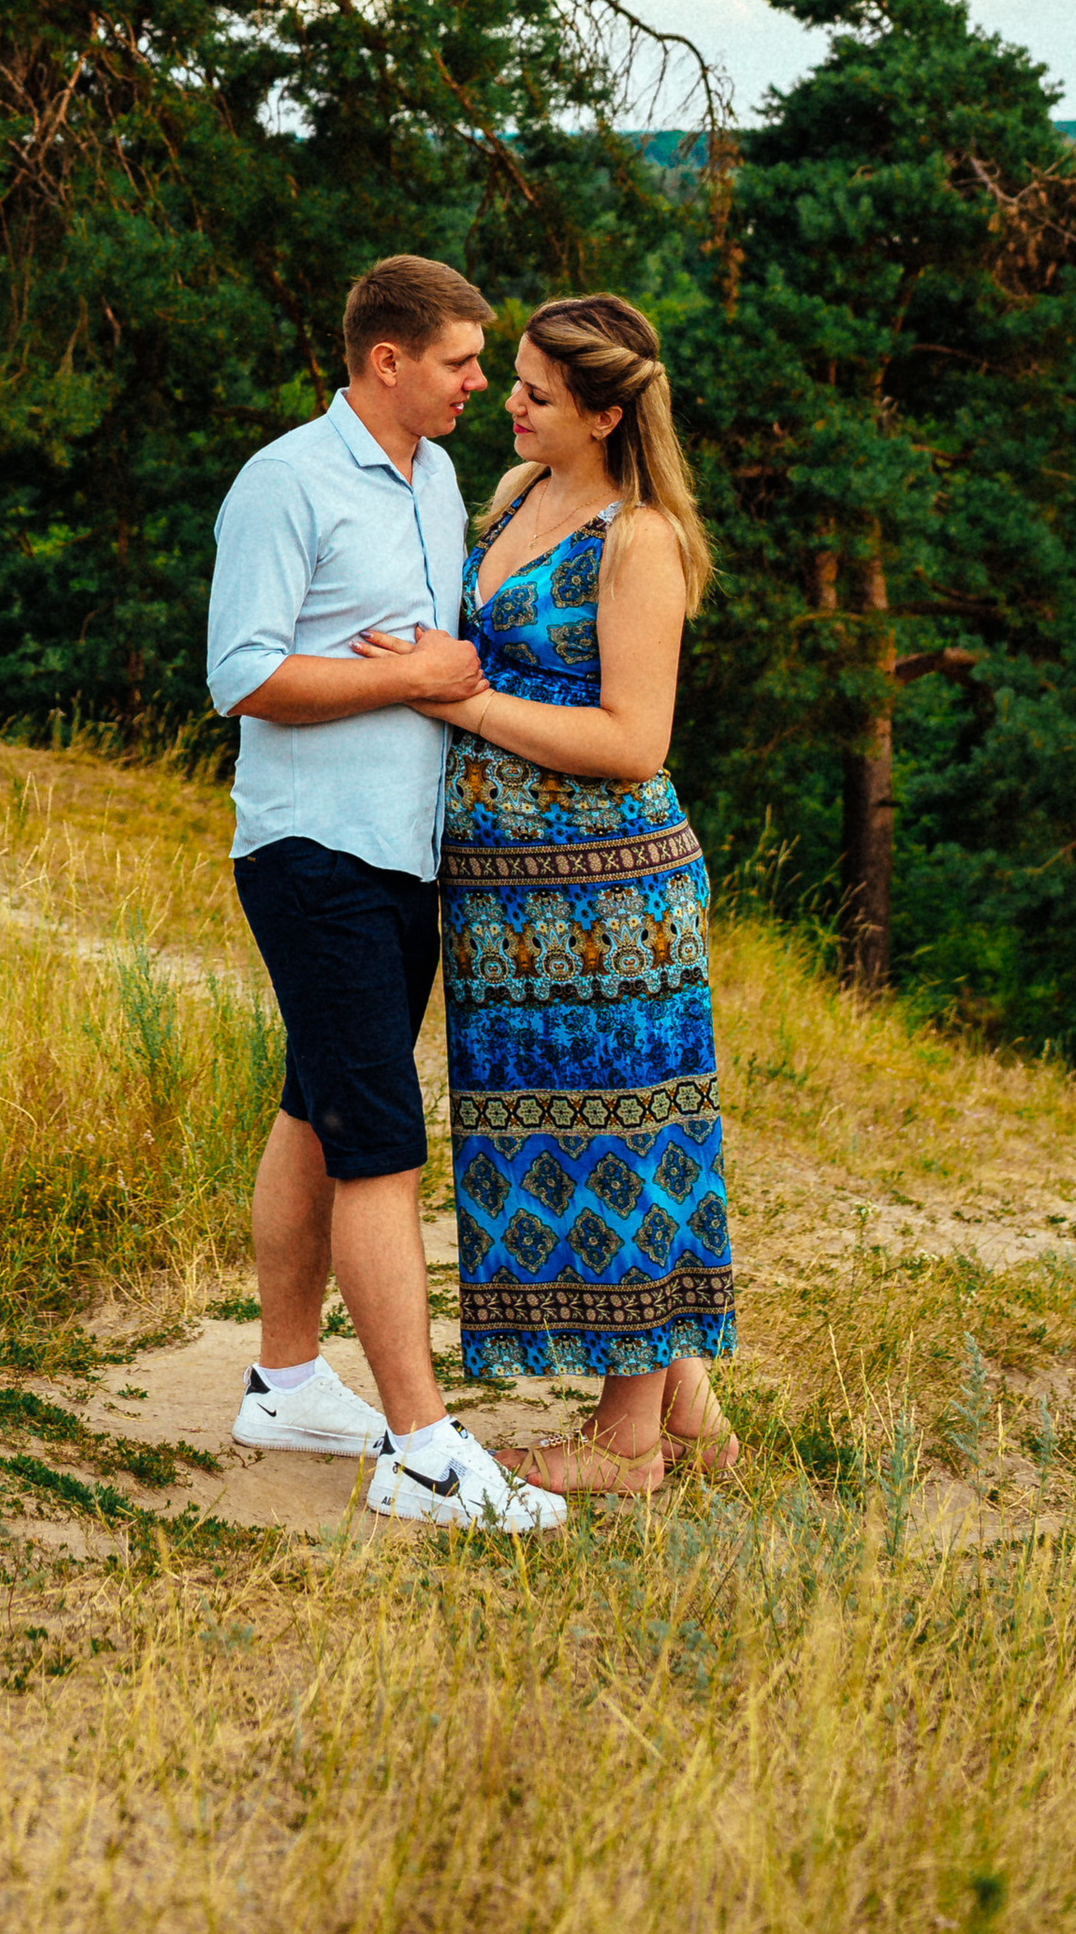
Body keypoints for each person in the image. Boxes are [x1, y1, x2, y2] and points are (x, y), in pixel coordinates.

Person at [206, 255, 569, 1534]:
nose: (483, 382)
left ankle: (286, 1383)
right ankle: (419, 1449)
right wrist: (416, 678)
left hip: (404, 853)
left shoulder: (437, 477)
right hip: (315, 851)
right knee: (377, 1139)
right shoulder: (285, 481)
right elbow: (242, 675)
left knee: (314, 1107)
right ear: (387, 362)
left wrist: (440, 670)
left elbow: (438, 650)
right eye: (464, 361)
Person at [359, 290, 735, 1496]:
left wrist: (454, 701)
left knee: (623, 1135)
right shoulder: (522, 497)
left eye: (532, 392)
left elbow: (635, 738)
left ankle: (624, 1448)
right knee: (551, 1145)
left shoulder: (641, 540)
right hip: (506, 908)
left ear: (606, 413)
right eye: (509, 378)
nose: (504, 402)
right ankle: (680, 1401)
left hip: (609, 903)